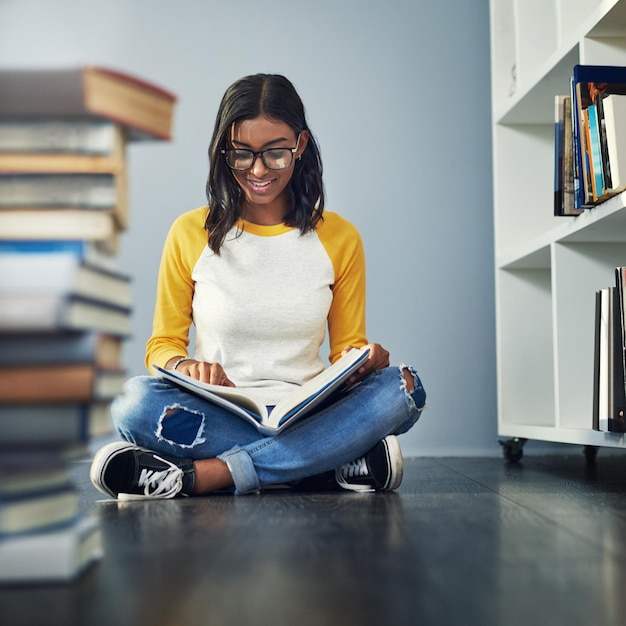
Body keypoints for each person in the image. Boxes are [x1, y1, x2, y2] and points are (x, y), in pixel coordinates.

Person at [90, 74, 426, 500]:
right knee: (134, 404)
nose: (259, 170)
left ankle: (207, 475)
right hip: (220, 410)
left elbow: (346, 349)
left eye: (276, 153)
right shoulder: (190, 232)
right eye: (242, 154)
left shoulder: (339, 237)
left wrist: (361, 362)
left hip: (309, 413)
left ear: (300, 146)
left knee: (403, 388)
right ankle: (324, 464)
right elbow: (162, 345)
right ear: (223, 150)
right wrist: (184, 367)